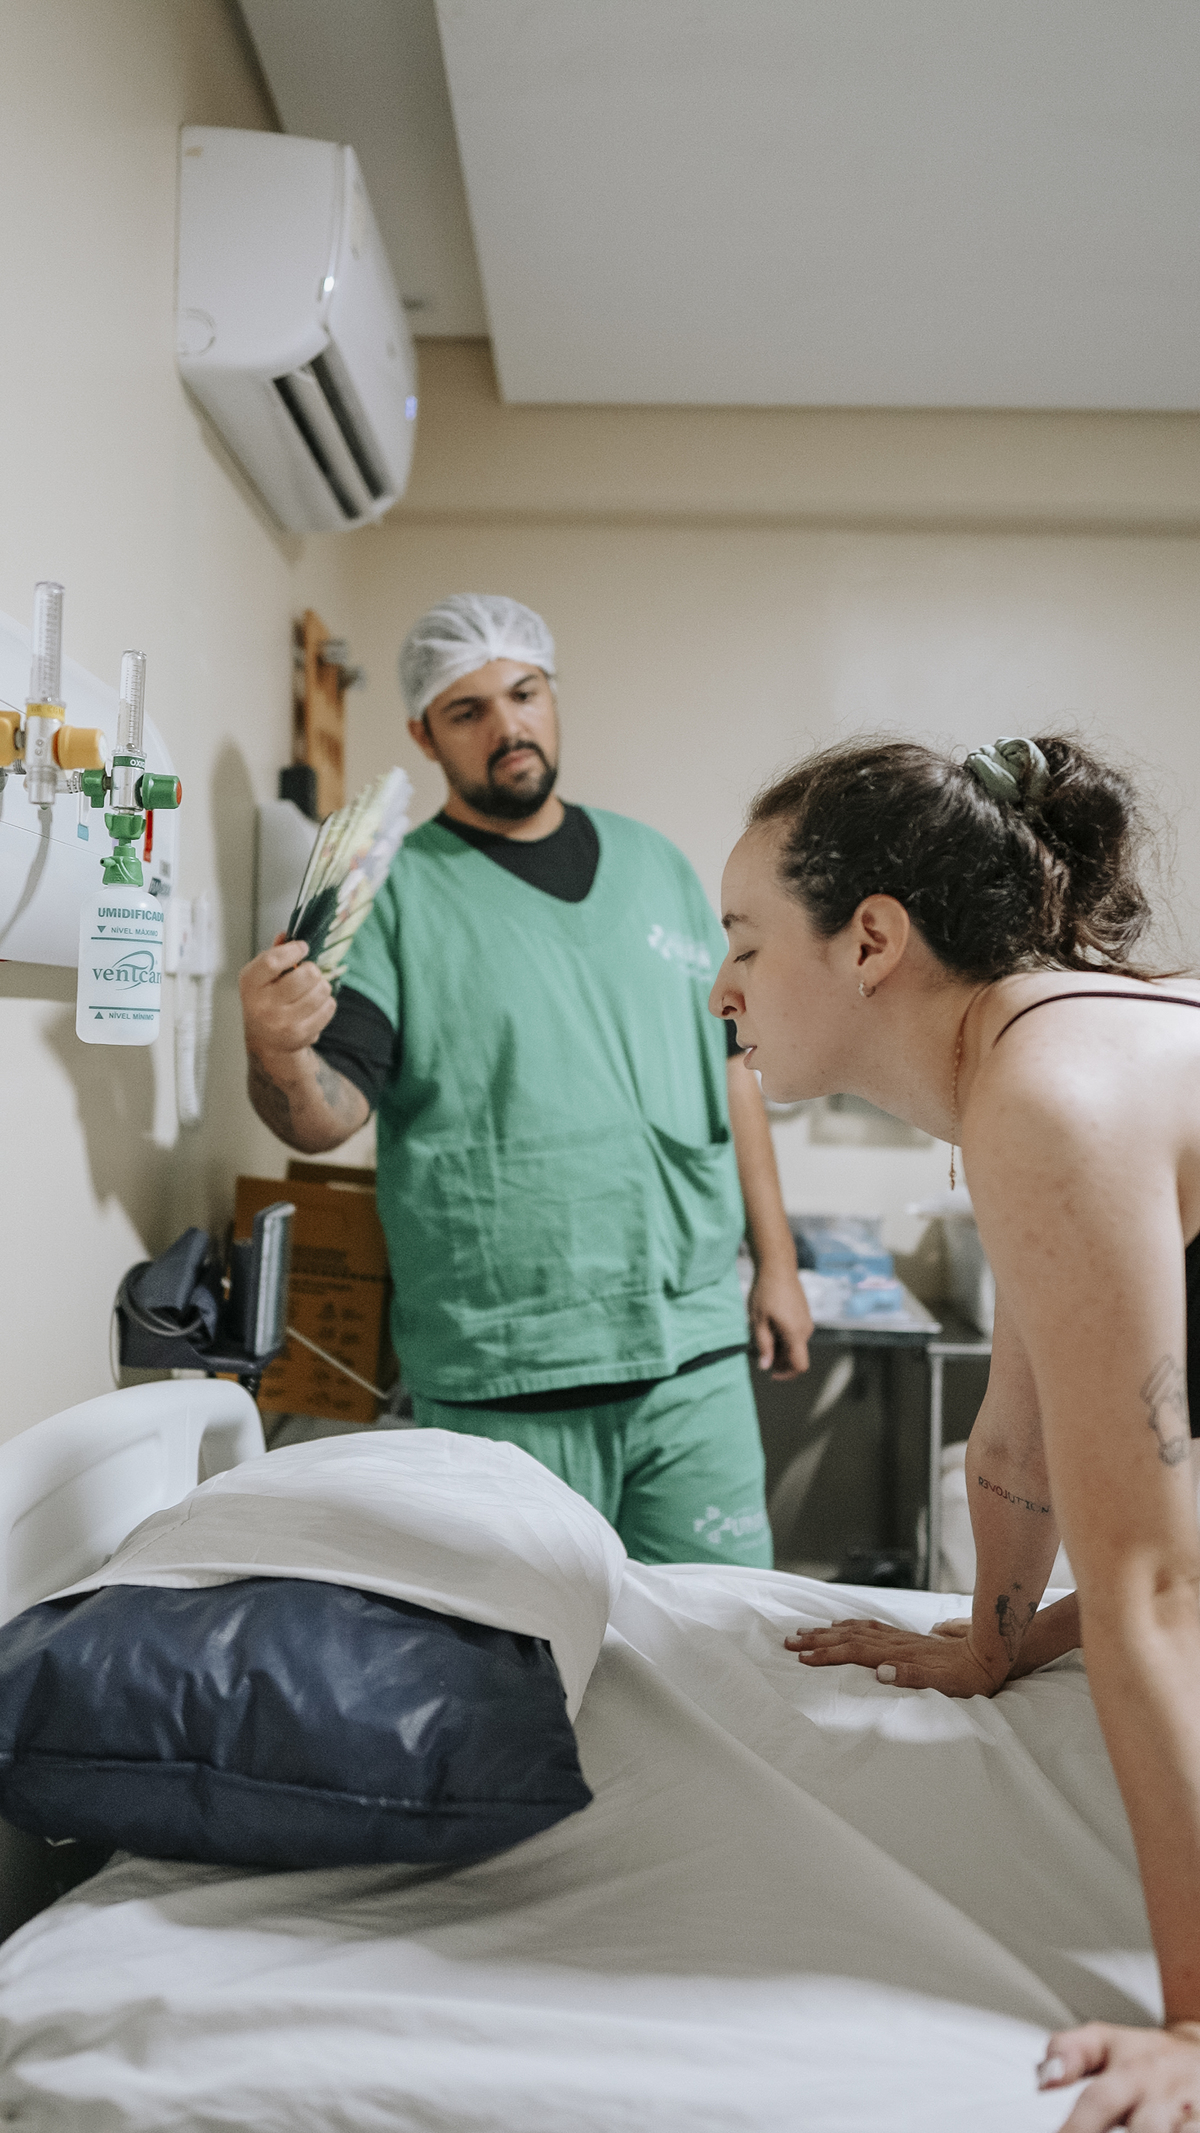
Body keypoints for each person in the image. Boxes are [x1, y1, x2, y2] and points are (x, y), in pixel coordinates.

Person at [708, 731, 1200, 2131]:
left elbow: (1155, 1580)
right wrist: (995, 1644)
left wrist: (1193, 2021)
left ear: (871, 940)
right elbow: (1022, 1442)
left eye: (745, 940)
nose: (722, 987)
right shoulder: (1034, 1062)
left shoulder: (1048, 1093)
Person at [240, 593, 811, 1566]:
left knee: (726, 1632)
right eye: (467, 711)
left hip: (691, 1353)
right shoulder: (396, 896)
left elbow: (732, 1074)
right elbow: (327, 1116)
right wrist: (279, 1051)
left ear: (551, 695)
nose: (506, 726)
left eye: (524, 693)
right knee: (522, 1653)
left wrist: (779, 1265)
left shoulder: (659, 867)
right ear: (425, 736)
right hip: (504, 1368)